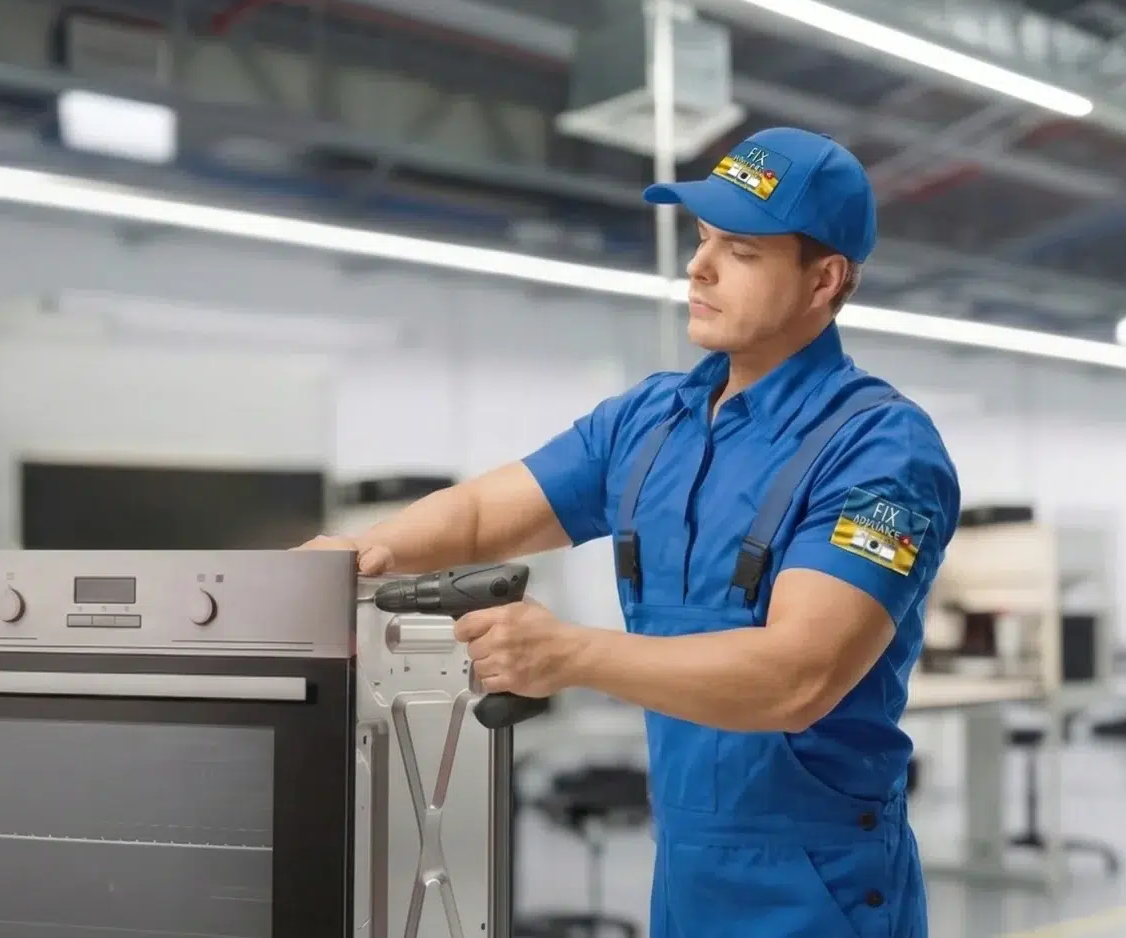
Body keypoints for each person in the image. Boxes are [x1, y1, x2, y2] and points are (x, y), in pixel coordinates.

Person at [303, 126, 960, 938]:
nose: (699, 267)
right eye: (702, 238)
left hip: (820, 884)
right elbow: (480, 513)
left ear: (825, 280)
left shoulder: (880, 450)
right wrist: (367, 553)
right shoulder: (653, 420)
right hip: (684, 866)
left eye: (742, 251)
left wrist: (570, 655)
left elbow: (800, 677)